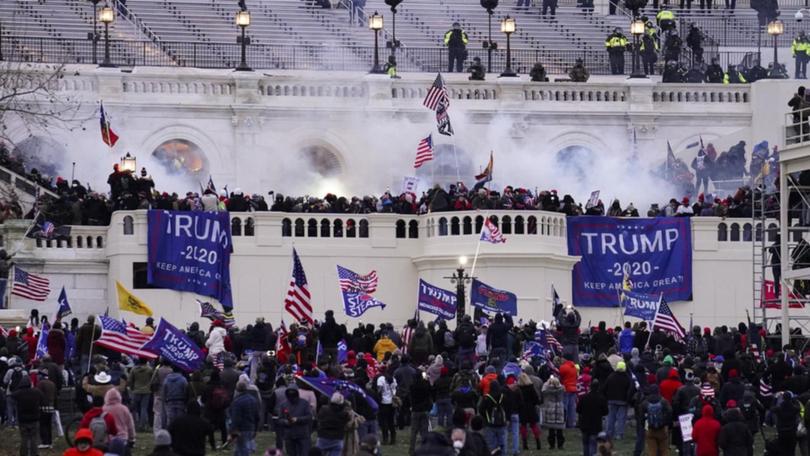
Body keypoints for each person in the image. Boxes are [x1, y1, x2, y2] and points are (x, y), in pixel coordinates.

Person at [14, 375, 45, 456]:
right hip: (34, 418)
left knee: (24, 438)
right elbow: (43, 399)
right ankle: (34, 453)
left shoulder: (18, 393)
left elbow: (12, 396)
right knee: (34, 438)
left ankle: (23, 454)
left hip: (22, 420)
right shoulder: (36, 392)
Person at [603, 361, 632, 441]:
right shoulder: (627, 378)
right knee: (621, 419)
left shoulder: (611, 376)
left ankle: (609, 434)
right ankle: (619, 434)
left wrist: (606, 397)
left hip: (611, 400)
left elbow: (605, 388)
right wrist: (628, 400)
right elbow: (630, 390)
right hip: (623, 401)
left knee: (610, 418)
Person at [577, 379, 608, 456]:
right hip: (596, 425)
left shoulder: (584, 397)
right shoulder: (601, 398)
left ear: (590, 387)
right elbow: (606, 412)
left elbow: (578, 409)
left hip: (584, 424)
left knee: (585, 444)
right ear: (598, 388)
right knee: (593, 444)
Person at [279, 386, 312, 456]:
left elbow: (309, 417)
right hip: (289, 435)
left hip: (302, 434)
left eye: (293, 395)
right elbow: (280, 419)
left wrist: (298, 419)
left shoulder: (304, 403)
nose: (292, 398)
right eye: (289, 395)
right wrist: (286, 422)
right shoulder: (283, 404)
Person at [231, 380, 260, 456]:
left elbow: (236, 417)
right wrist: (256, 428)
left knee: (243, 450)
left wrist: (233, 430)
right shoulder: (253, 400)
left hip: (242, 429)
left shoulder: (237, 401)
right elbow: (257, 416)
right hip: (251, 427)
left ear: (237, 389)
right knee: (240, 449)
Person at [641, 385, 672, 456]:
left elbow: (641, 417)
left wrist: (644, 426)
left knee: (652, 451)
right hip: (662, 429)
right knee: (664, 451)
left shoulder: (645, 402)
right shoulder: (664, 401)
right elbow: (669, 412)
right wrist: (667, 425)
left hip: (650, 429)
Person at [479, 381, 508, 454]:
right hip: (502, 423)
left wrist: (486, 417)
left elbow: (481, 410)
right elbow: (508, 408)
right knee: (502, 444)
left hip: (489, 424)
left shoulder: (487, 397)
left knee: (491, 445)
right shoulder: (503, 396)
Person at [542, 376, 566, 449]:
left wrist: (548, 382)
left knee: (551, 430)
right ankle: (560, 445)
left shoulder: (547, 391)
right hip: (559, 410)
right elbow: (562, 387)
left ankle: (552, 445)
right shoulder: (561, 390)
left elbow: (543, 389)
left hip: (550, 409)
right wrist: (557, 383)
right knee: (560, 430)